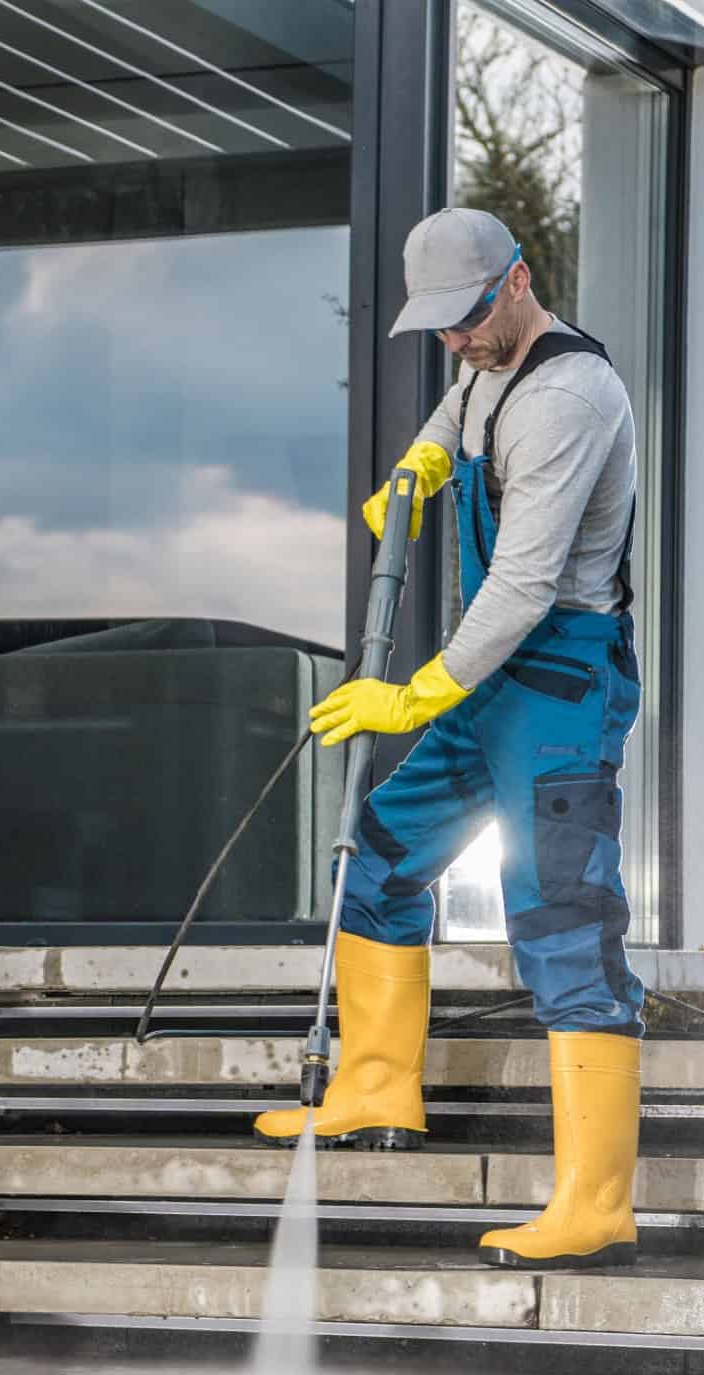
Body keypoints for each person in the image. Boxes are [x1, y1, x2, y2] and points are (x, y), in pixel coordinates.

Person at [254, 207, 645, 1272]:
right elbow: (452, 417)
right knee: (379, 858)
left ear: (516, 283)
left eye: (468, 319)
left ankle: (595, 1202)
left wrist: (413, 695)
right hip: (489, 679)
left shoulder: (566, 394)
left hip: (558, 679)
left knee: (562, 918)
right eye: (438, 329)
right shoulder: (480, 365)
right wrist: (418, 469)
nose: (456, 342)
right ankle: (377, 1088)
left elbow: (521, 584)